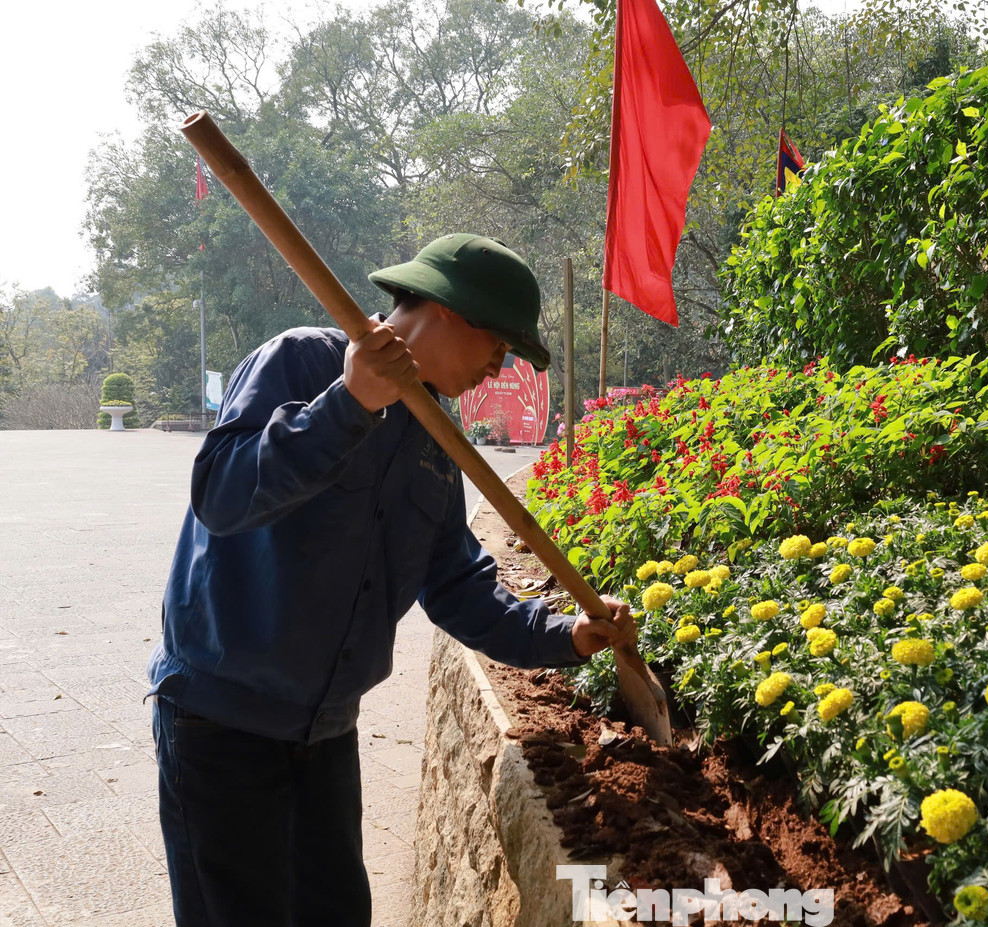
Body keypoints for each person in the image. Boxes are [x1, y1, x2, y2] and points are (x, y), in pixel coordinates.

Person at [147, 233, 634, 927]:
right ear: (449, 309)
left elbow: (458, 585)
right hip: (221, 723)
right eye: (498, 344)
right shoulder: (300, 361)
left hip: (324, 733)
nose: (498, 366)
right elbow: (220, 496)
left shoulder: (435, 434)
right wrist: (349, 402)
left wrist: (568, 635)